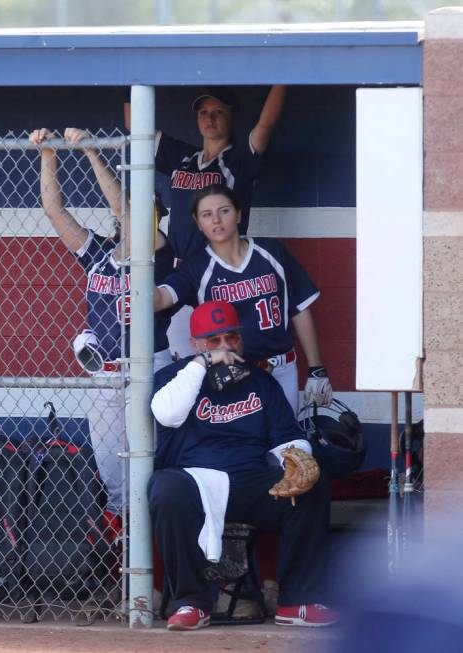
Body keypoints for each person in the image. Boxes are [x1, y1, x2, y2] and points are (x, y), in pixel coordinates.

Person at [149, 299, 337, 631]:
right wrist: (202, 364)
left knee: (313, 484)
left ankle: (297, 601)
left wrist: (294, 458)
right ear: (194, 343)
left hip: (248, 481)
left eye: (231, 338)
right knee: (166, 488)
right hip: (193, 480)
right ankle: (191, 603)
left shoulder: (260, 381)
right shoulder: (174, 377)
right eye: (213, 340)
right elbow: (167, 413)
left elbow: (286, 438)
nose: (225, 348)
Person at [29, 127, 174, 521]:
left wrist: (92, 152)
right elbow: (54, 210)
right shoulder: (97, 253)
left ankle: (149, 550)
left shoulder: (157, 253)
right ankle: (119, 550)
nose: (138, 218)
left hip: (146, 369)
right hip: (104, 374)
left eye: (151, 213)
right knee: (111, 470)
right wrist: (49, 154)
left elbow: (125, 211)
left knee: (147, 463)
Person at [153, 184, 331, 415]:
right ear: (198, 223)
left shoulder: (271, 252)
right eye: (207, 215)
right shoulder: (196, 267)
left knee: (286, 443)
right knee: (244, 443)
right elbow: (159, 300)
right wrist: (140, 256)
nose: (216, 220)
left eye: (224, 211)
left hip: (280, 367)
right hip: (229, 370)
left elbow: (300, 309)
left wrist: (317, 369)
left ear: (238, 214)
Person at [126, 85, 286, 258]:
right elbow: (135, 127)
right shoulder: (182, 156)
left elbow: (266, 125)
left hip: (216, 267)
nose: (210, 118)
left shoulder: (238, 160)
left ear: (232, 117)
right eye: (203, 112)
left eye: (218, 112)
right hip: (176, 267)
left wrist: (283, 77)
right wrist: (126, 78)